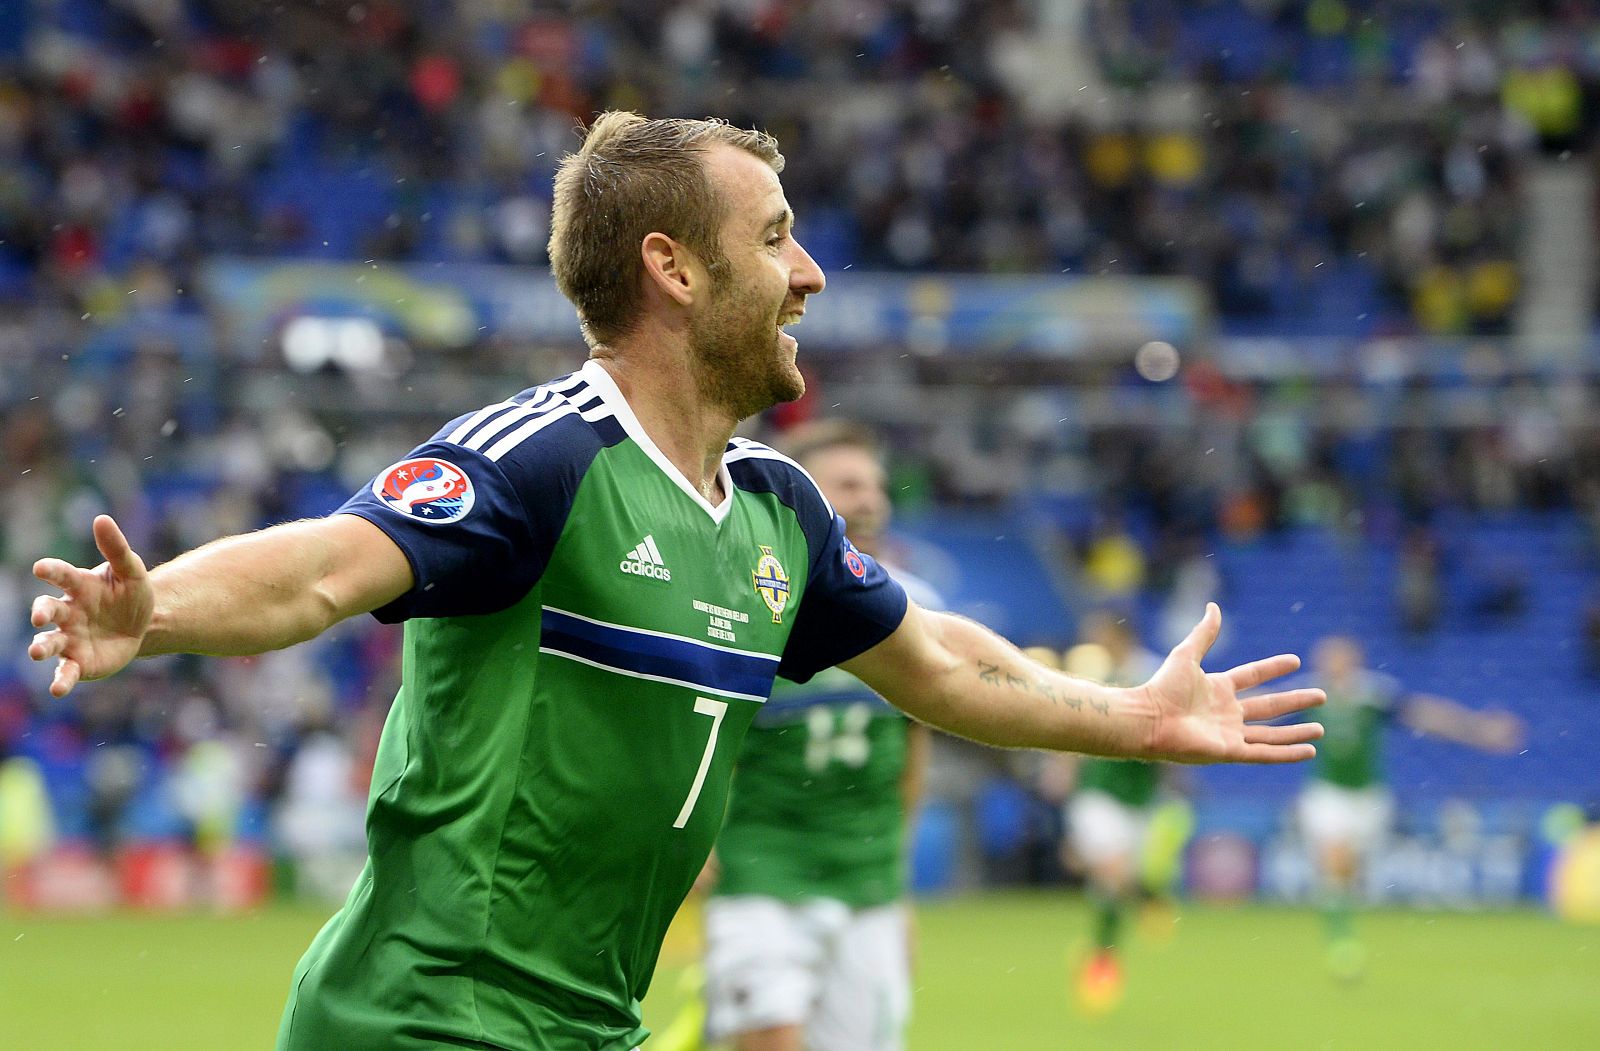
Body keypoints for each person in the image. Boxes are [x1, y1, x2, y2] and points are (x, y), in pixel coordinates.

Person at [26, 112, 1325, 1051]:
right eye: (777, 237)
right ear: (676, 267)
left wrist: (1131, 717)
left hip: (594, 1025)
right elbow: (320, 567)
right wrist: (161, 609)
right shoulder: (543, 456)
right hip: (428, 1017)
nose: (810, 272)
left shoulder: (779, 508)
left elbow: (934, 658)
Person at [696, 421, 938, 1051]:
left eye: (876, 485)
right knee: (771, 1038)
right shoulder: (744, 607)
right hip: (762, 871)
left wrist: (899, 878)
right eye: (849, 484)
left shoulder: (918, 610)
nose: (870, 499)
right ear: (801, 496)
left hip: (869, 883)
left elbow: (911, 752)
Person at [1297, 634, 1521, 980]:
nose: (1332, 665)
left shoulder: (1372, 695)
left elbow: (1425, 716)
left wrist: (1477, 729)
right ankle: (1341, 944)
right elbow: (1263, 707)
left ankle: (1341, 916)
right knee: (1334, 859)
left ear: (1355, 661)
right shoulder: (1312, 693)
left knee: (1349, 878)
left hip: (1369, 798)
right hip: (1327, 794)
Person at [1055, 614, 1189, 1015]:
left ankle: (1114, 935)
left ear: (1119, 635)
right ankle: (1106, 955)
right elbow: (1076, 727)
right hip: (1098, 794)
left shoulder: (1153, 674)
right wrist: (1065, 765)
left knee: (1114, 884)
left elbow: (1171, 732)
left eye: (1101, 634)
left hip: (1137, 799)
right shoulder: (1096, 675)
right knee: (1114, 872)